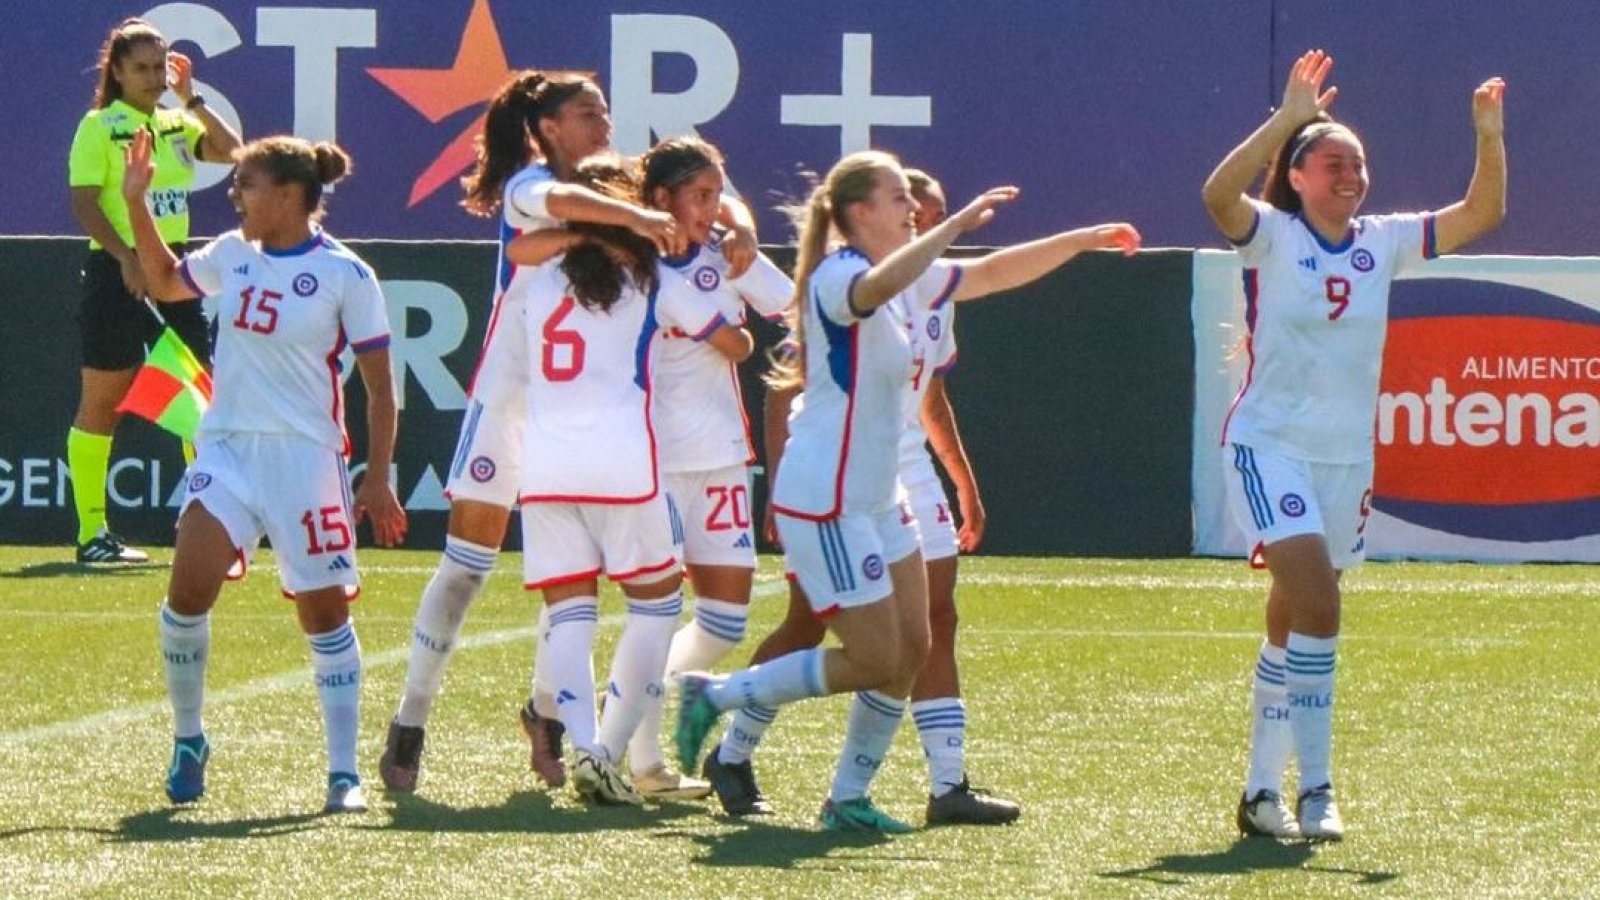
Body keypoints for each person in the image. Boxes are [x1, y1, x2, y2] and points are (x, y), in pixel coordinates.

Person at [675, 149, 1140, 832]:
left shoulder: (912, 282)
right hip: (826, 496)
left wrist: (1080, 239)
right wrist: (949, 226)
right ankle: (716, 697)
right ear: (859, 212)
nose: (909, 207)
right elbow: (872, 291)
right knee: (872, 656)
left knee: (914, 648)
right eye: (896, 198)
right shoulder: (839, 275)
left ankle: (848, 799)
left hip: (879, 493)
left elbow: (993, 272)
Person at [377, 70, 756, 793]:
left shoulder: (622, 189)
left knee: (572, 580)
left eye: (605, 111)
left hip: (581, 418)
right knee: (466, 568)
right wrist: (621, 224)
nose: (604, 124)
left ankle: (552, 718)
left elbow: (707, 192)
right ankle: (412, 716)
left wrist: (739, 225)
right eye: (589, 114)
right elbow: (560, 205)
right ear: (547, 127)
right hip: (512, 404)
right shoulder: (530, 186)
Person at [1201, 50, 1506, 842]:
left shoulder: (1384, 240)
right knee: (1322, 606)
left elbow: (1480, 213)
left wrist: (1487, 133)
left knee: (1291, 614)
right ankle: (1318, 792)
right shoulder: (1271, 236)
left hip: (1345, 459)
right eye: (1333, 161)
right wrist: (1285, 119)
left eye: (1359, 164)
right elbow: (1216, 196)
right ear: (1298, 175)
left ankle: (1260, 792)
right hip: (1269, 445)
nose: (1351, 174)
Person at [702, 166, 1020, 826]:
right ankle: (731, 744)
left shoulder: (928, 289)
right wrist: (777, 480)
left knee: (927, 628)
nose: (919, 221)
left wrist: (960, 478)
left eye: (928, 213)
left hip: (896, 477)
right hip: (835, 481)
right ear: (861, 213)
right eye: (909, 206)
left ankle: (937, 783)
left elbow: (929, 390)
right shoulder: (845, 279)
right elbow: (789, 384)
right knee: (818, 625)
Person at [123, 130, 408, 812]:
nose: (235, 194)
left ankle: (344, 773)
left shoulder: (347, 275)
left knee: (324, 616)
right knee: (187, 592)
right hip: (227, 450)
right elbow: (163, 280)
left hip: (305, 460)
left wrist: (377, 477)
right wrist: (137, 203)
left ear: (287, 195)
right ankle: (189, 737)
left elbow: (379, 388)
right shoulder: (232, 253)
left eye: (246, 183)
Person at [510, 157, 751, 803]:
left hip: (545, 462)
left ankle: (588, 743)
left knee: (570, 614)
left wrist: (584, 233)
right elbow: (734, 345)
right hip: (621, 458)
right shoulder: (648, 277)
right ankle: (607, 749)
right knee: (656, 607)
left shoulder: (538, 272)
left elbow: (522, 243)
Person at [605, 137, 793, 799]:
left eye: (719, 195)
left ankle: (630, 699)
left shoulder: (724, 250)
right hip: (651, 458)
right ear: (661, 200)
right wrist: (736, 338)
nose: (714, 209)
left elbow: (796, 306)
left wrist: (739, 226)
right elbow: (735, 343)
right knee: (654, 612)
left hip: (720, 458)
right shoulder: (629, 264)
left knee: (724, 622)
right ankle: (645, 760)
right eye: (701, 196)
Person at [67, 16, 242, 563]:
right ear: (115, 71)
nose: (151, 77)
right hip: (115, 273)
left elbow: (233, 151)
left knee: (201, 401)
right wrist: (124, 257)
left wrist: (191, 99)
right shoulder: (99, 126)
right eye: (139, 68)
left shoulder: (174, 122)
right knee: (104, 401)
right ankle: (92, 534)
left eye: (159, 67)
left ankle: (210, 534)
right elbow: (86, 202)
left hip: (175, 270)